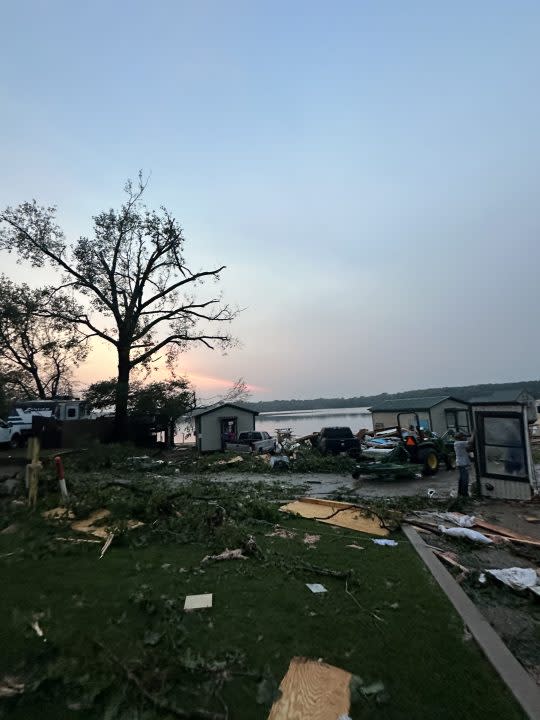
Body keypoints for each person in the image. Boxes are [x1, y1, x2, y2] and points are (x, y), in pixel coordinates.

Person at [454, 432, 473, 497]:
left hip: (461, 463)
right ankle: (465, 494)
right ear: (460, 438)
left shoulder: (458, 443)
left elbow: (468, 449)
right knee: (465, 479)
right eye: (464, 436)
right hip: (462, 464)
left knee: (462, 478)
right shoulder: (459, 443)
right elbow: (471, 442)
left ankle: (460, 493)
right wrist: (474, 434)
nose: (465, 438)